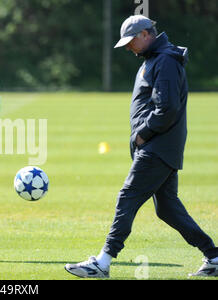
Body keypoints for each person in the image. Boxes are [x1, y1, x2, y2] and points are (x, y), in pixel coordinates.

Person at [65, 15, 218, 278]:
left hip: (157, 147)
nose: (128, 47)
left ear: (146, 34)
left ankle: (102, 262)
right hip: (159, 147)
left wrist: (141, 135)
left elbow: (167, 108)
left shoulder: (166, 61)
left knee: (127, 197)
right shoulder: (155, 59)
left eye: (131, 41)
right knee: (167, 208)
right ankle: (214, 256)